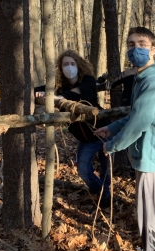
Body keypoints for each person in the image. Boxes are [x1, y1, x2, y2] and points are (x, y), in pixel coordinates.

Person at [95, 26, 155, 251]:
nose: (134, 49)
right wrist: (112, 128)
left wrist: (114, 144)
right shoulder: (143, 77)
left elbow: (141, 123)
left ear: (153, 49)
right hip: (148, 153)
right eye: (130, 44)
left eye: (141, 44)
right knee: (150, 207)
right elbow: (134, 115)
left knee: (146, 212)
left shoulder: (152, 80)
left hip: (151, 154)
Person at [35, 50, 112, 210]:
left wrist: (59, 98)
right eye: (65, 64)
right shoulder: (58, 86)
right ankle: (104, 193)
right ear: (60, 68)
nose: (69, 67)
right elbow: (40, 90)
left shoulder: (88, 80)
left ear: (79, 66)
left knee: (106, 168)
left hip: (104, 131)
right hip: (86, 139)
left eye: (72, 64)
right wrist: (37, 93)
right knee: (83, 170)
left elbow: (82, 92)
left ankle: (105, 201)